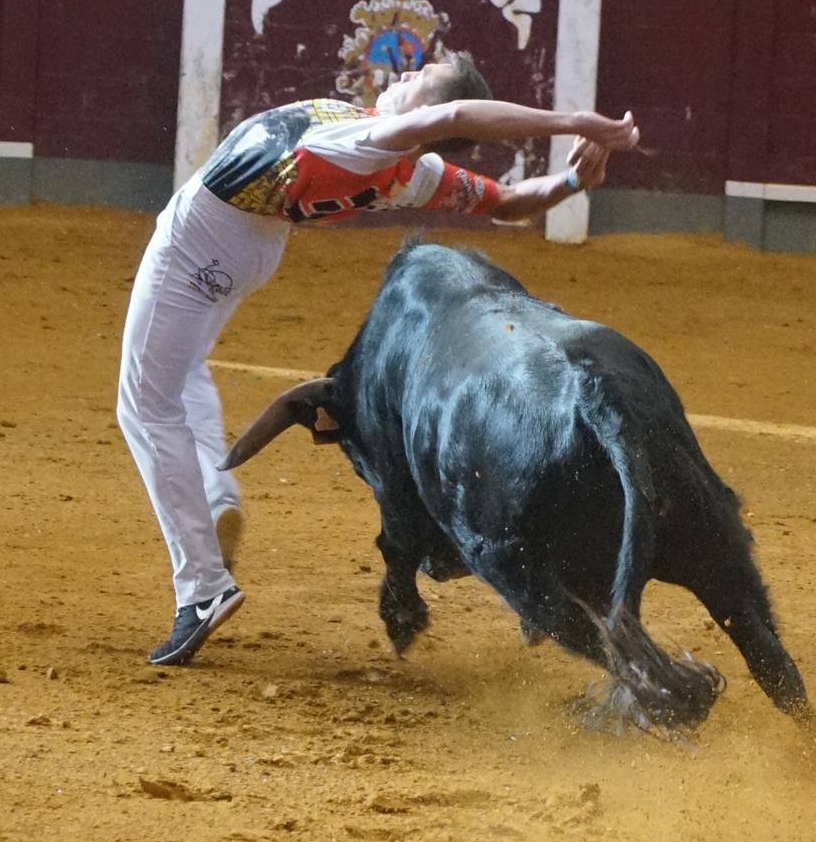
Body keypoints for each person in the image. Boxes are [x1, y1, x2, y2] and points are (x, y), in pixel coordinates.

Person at [118, 52, 641, 667]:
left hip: (201, 240)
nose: (408, 72)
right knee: (180, 378)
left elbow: (456, 114)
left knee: (146, 407)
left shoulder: (373, 142)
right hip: (246, 245)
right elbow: (506, 201)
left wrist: (579, 121)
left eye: (422, 76)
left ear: (427, 111)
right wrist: (573, 183)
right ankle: (212, 501)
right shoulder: (407, 172)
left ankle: (201, 587)